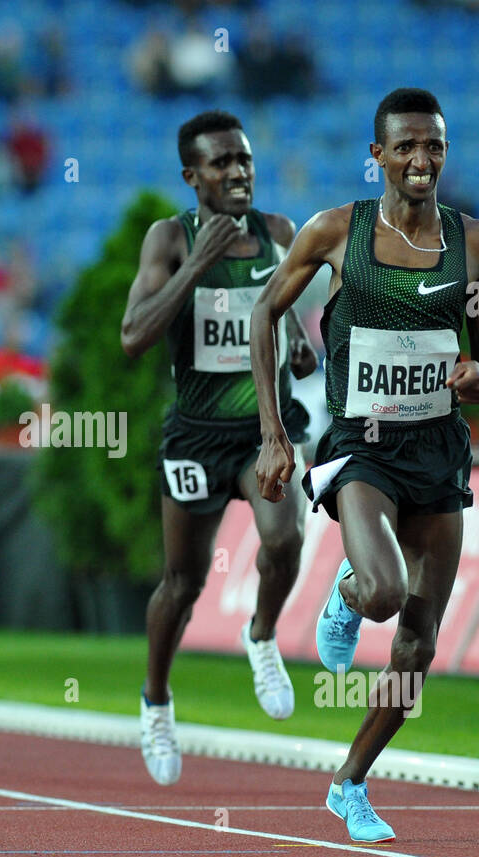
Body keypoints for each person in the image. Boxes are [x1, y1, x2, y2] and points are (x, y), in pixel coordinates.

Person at [250, 88, 479, 842]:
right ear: (379, 157)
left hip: (437, 450)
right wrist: (273, 434)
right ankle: (351, 592)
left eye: (434, 146)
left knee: (419, 643)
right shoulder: (336, 231)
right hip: (361, 449)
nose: (421, 160)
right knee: (388, 592)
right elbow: (265, 313)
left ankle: (350, 784)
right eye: (406, 148)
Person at [121, 110, 317, 786]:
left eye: (246, 160)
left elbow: (277, 308)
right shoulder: (169, 238)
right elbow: (133, 337)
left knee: (285, 537)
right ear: (192, 176)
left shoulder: (280, 233)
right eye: (222, 163)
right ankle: (155, 701)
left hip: (264, 427)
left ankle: (260, 636)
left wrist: (296, 337)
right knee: (183, 584)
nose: (238, 172)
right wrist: (196, 265)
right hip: (197, 435)